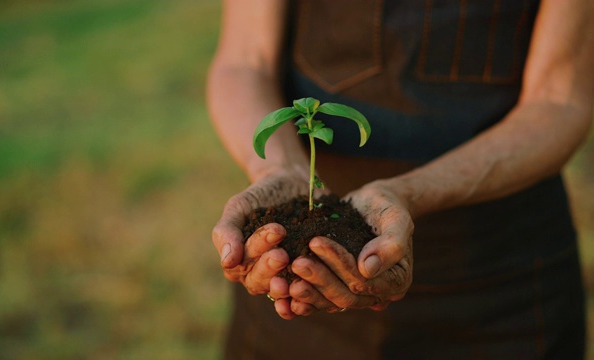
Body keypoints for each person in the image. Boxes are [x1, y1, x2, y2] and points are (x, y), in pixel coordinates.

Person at [206, 0, 594, 358]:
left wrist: (405, 192)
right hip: (296, 291)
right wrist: (278, 169)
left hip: (501, 280)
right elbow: (246, 59)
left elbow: (558, 100)